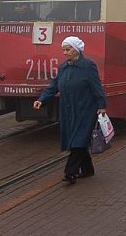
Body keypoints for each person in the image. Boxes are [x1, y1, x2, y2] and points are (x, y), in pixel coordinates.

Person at [33, 36, 107, 185]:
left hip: (85, 110)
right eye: (64, 50)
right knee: (78, 140)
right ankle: (87, 169)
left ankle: (70, 173)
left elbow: (96, 87)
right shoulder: (63, 67)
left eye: (68, 49)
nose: (65, 53)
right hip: (68, 111)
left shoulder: (88, 66)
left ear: (77, 50)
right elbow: (54, 86)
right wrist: (41, 99)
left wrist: (102, 105)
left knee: (77, 141)